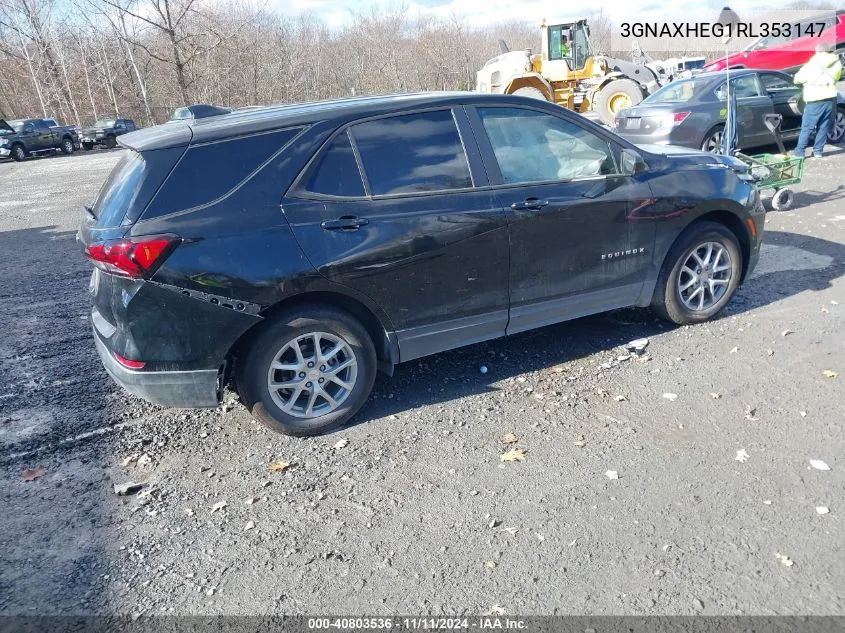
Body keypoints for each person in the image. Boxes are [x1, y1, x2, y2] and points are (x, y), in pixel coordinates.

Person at [792, 42, 843, 158]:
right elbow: (838, 76)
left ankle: (800, 151)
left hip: (814, 99)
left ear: (817, 52)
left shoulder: (811, 65)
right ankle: (818, 151)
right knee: (824, 126)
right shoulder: (836, 63)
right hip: (830, 98)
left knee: (807, 127)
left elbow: (797, 79)